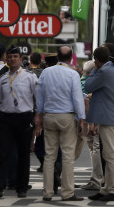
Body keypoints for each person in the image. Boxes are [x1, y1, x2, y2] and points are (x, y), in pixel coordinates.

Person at [35, 45, 86, 202]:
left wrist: (39, 115)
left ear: (57, 56)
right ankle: (67, 192)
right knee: (68, 155)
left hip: (49, 116)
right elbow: (77, 98)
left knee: (49, 156)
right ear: (71, 58)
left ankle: (47, 192)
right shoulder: (73, 74)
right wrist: (82, 119)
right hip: (67, 117)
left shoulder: (46, 72)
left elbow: (40, 95)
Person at [0, 45, 38, 198]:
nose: (12, 59)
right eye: (9, 57)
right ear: (6, 59)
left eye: (15, 57)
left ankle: (21, 187)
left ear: (21, 59)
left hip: (24, 118)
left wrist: (38, 117)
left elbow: (38, 98)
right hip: (6, 119)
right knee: (4, 151)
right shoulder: (2, 78)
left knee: (23, 154)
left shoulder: (30, 77)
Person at [86, 46, 114, 202]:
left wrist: (94, 70)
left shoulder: (103, 72)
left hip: (108, 118)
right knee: (108, 154)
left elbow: (88, 85)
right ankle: (107, 188)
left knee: (111, 155)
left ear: (96, 60)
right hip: (110, 116)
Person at [79, 60, 104, 191]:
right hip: (89, 121)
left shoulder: (78, 81)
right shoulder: (90, 84)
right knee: (94, 150)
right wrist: (90, 124)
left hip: (78, 120)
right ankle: (98, 177)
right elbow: (87, 104)